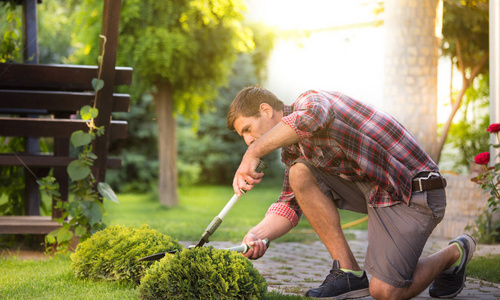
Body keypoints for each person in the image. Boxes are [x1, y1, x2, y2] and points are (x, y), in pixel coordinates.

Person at [227, 86, 475, 300]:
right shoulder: (293, 151)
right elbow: (290, 205)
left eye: (248, 129)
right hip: (378, 193)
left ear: (266, 110)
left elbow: (312, 118)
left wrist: (253, 153)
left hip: (414, 192)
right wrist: (256, 235)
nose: (248, 140)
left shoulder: (311, 101)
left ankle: (455, 252)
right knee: (299, 174)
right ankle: (349, 274)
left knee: (385, 293)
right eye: (245, 136)